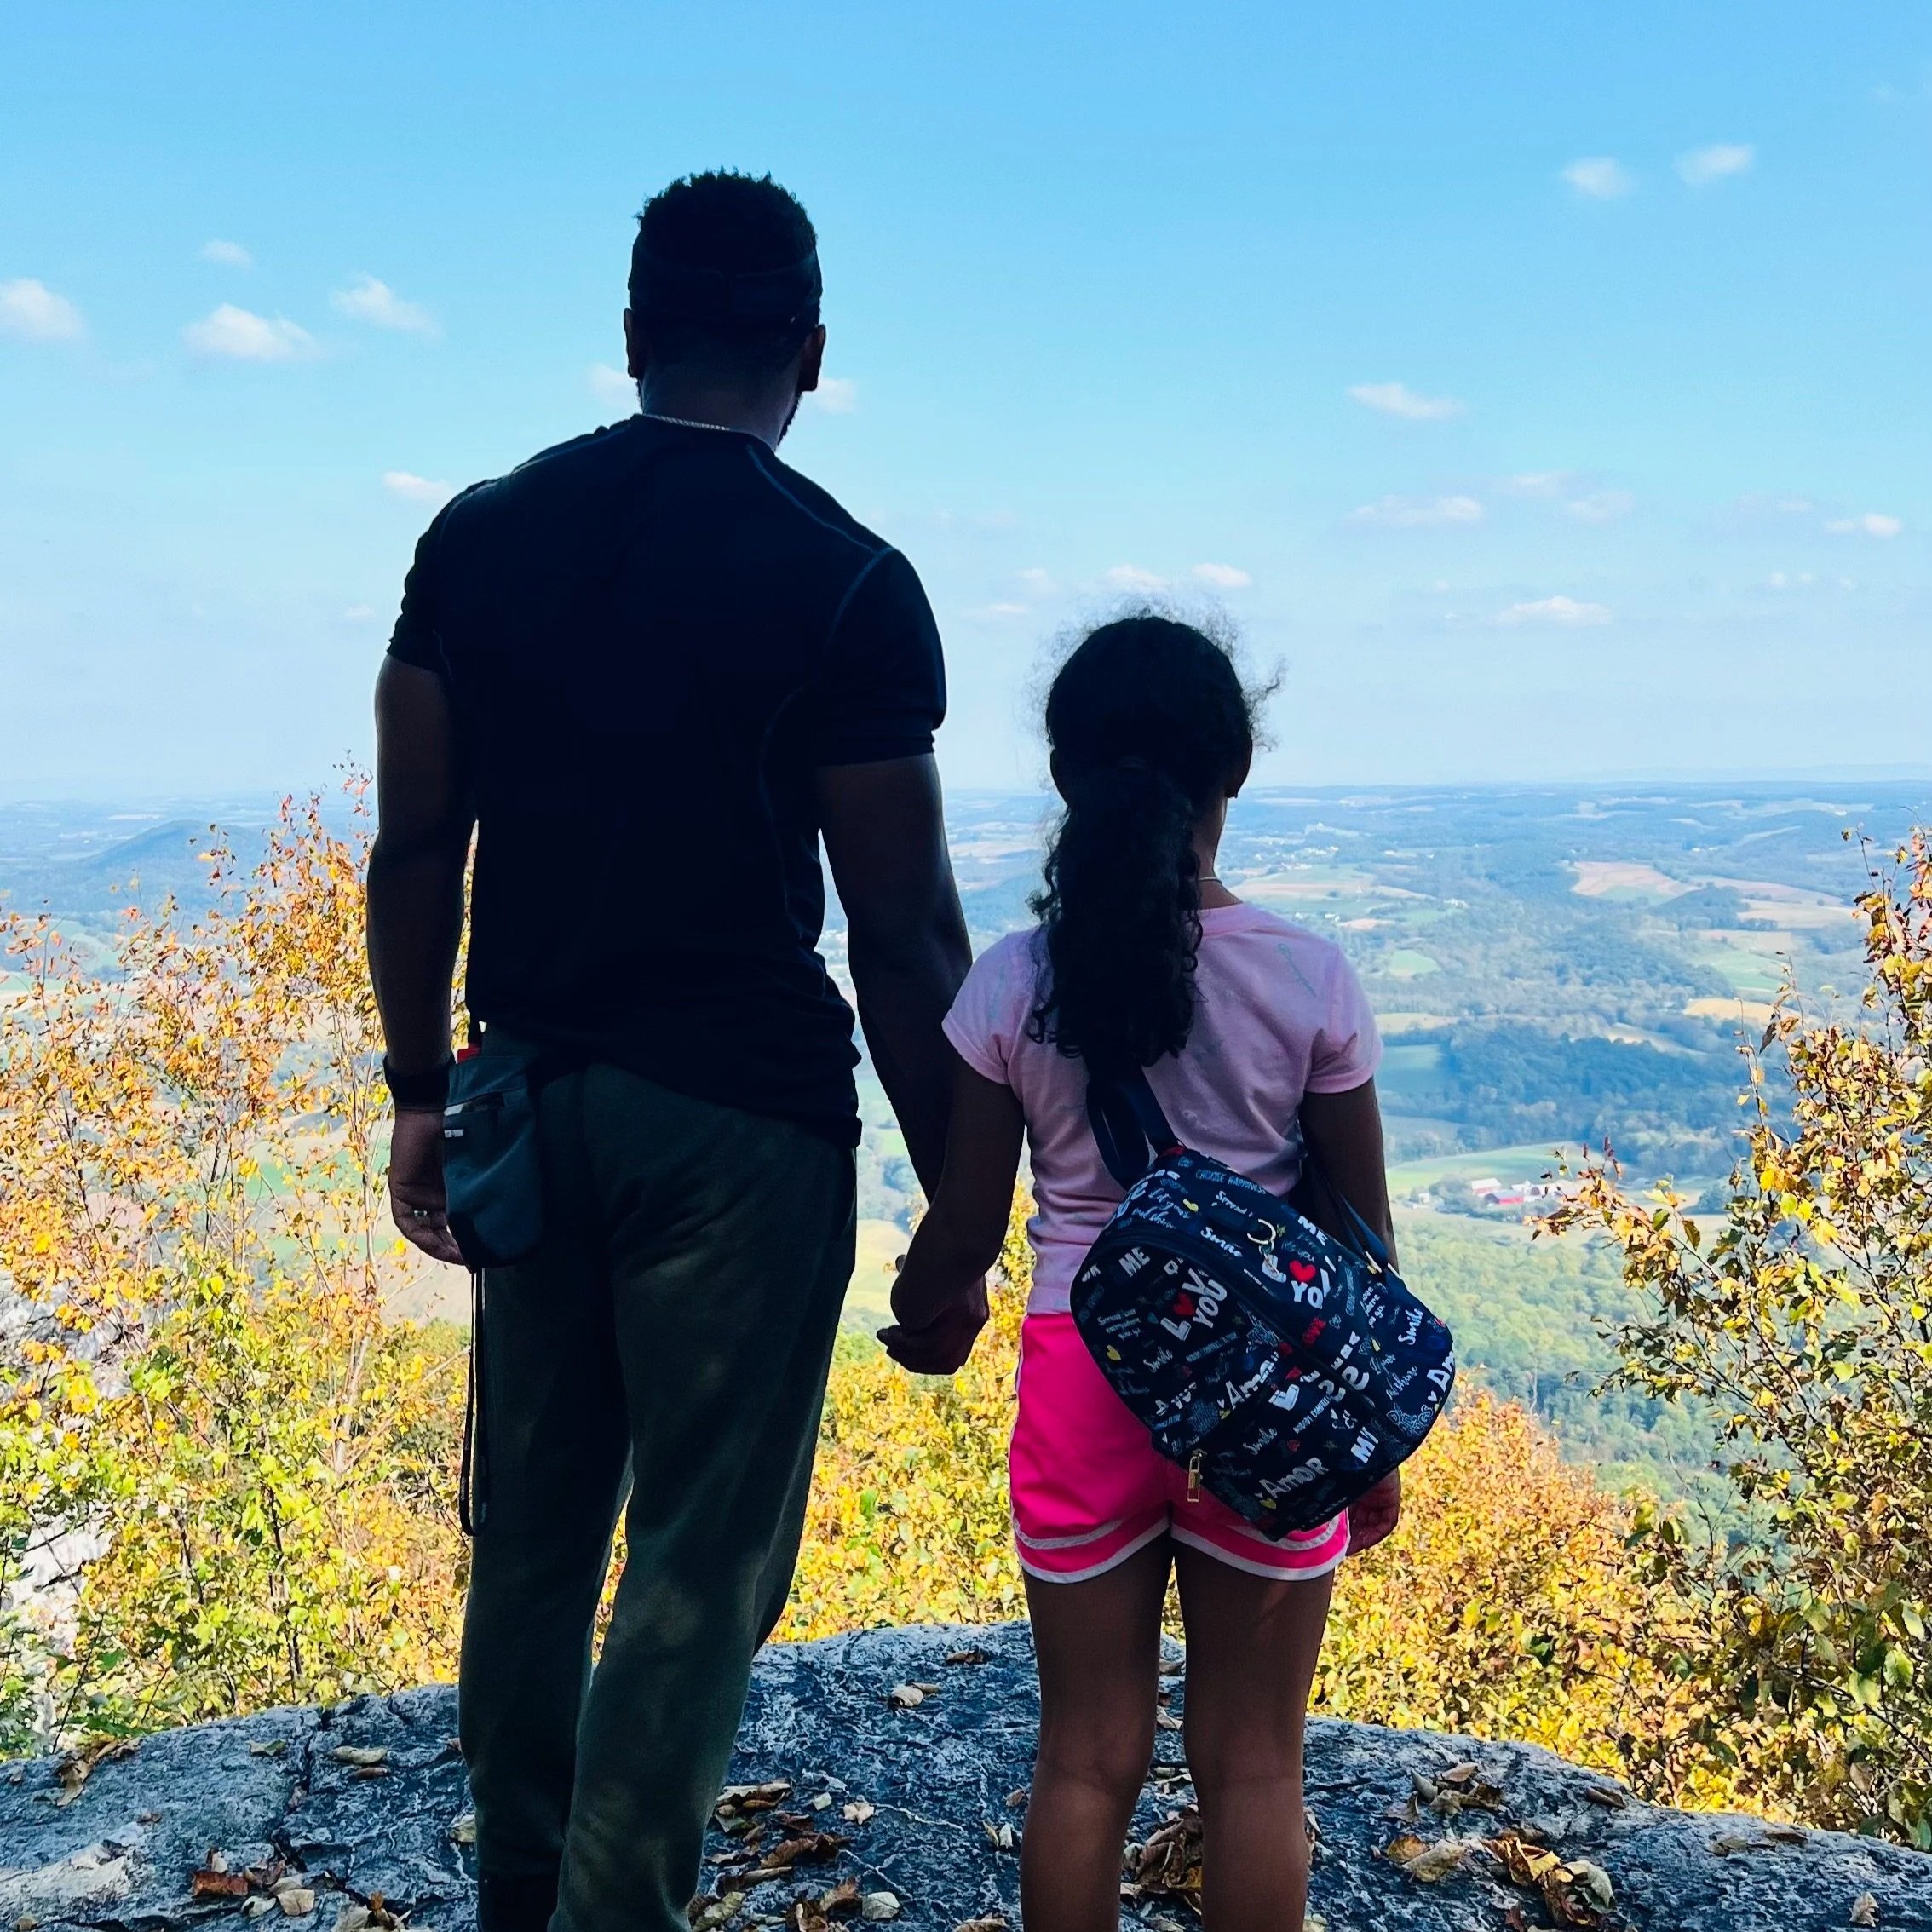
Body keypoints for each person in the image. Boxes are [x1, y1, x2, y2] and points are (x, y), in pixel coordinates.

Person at [365, 171, 974, 1932]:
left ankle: (525, 1896)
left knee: (538, 1541)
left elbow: (419, 847)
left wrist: (422, 1093)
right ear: (812, 352)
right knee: (699, 1567)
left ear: (632, 339)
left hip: (527, 1097)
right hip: (742, 1130)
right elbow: (903, 925)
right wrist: (959, 1206)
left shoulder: (475, 537)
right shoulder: (852, 584)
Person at [880, 614, 1403, 1932]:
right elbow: (1362, 1242)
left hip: (1083, 1383)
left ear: (1070, 776)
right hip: (1272, 1401)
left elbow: (965, 1225)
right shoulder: (1309, 977)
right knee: (1256, 1770)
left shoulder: (1012, 984)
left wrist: (922, 1310)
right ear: (1233, 773)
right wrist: (1370, 1436)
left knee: (1084, 1761)